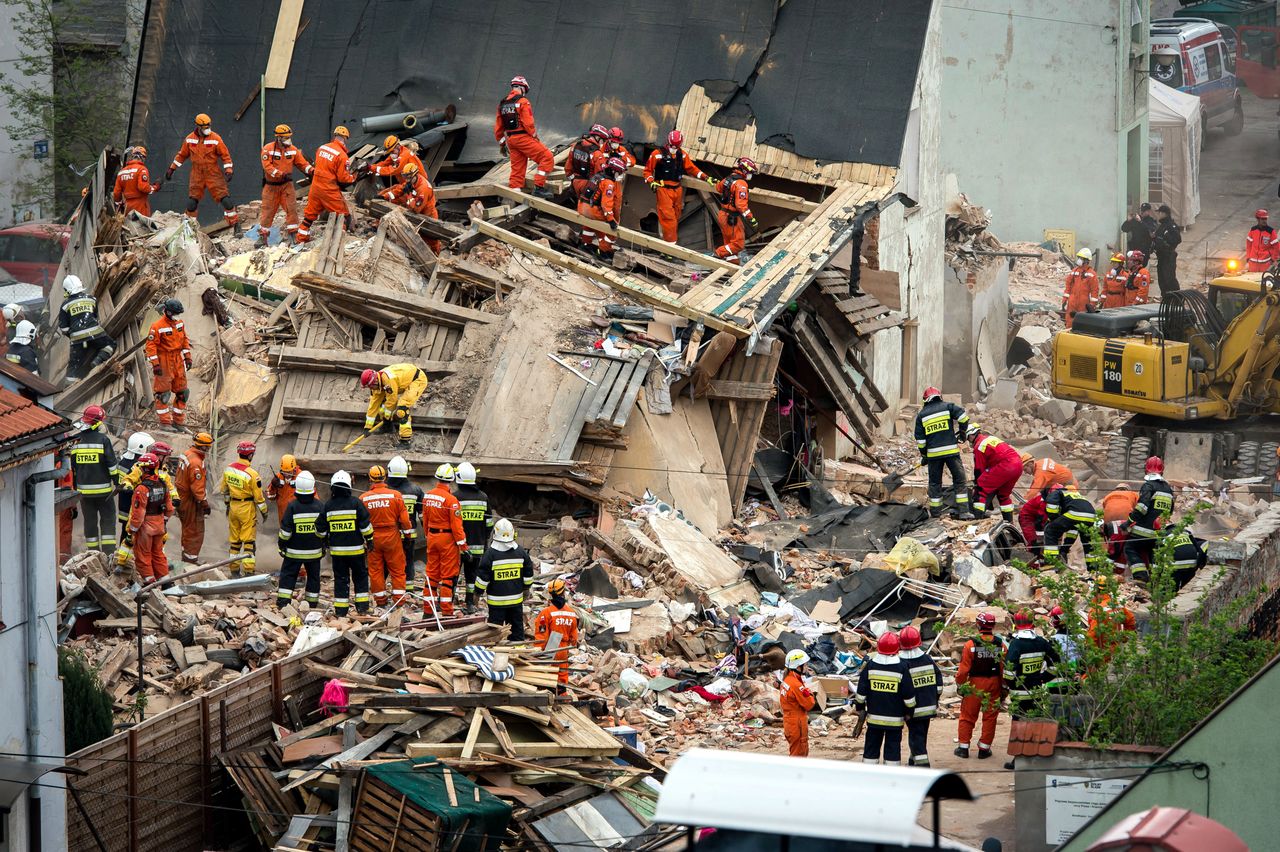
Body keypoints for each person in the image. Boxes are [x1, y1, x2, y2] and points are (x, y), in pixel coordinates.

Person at [167, 113, 238, 231]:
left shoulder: (215, 139)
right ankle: (190, 229)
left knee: (226, 200)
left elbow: (225, 155)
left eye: (208, 126)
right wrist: (172, 168)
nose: (207, 130)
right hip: (197, 174)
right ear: (198, 127)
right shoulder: (190, 139)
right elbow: (182, 155)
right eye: (205, 127)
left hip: (213, 172)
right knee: (192, 203)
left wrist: (228, 170)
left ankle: (235, 224)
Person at [115, 440, 179, 568]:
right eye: (165, 457)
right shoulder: (141, 467)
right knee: (131, 536)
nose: (167, 460)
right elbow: (128, 479)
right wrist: (127, 486)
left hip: (156, 509)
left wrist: (175, 497)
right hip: (141, 508)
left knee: (161, 537)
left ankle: (159, 562)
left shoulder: (163, 471)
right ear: (159, 456)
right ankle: (120, 563)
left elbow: (170, 487)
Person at [854, 632, 916, 765]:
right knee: (892, 750)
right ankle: (890, 779)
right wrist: (909, 712)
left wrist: (859, 708)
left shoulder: (870, 666)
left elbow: (860, 693)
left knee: (871, 749)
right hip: (895, 721)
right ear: (897, 649)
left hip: (874, 720)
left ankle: (870, 777)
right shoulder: (902, 668)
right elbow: (909, 696)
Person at [914, 386, 973, 518]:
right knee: (959, 480)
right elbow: (963, 417)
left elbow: (921, 441)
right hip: (951, 452)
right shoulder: (948, 407)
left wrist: (924, 455)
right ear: (939, 396)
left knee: (935, 483)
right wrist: (962, 432)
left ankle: (936, 514)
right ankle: (964, 512)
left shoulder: (921, 416)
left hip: (934, 455)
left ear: (925, 400)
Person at [643, 130, 711, 243]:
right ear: (668, 143)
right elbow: (647, 172)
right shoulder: (657, 154)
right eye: (672, 146)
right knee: (669, 219)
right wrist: (652, 182)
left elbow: (692, 169)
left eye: (676, 146)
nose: (674, 148)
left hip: (677, 190)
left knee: (676, 216)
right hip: (664, 189)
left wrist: (705, 177)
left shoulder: (682, 155)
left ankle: (666, 241)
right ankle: (670, 248)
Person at [322, 470, 374, 616]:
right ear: (349, 486)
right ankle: (362, 607)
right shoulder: (356, 503)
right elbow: (365, 526)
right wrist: (369, 539)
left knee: (340, 579)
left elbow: (320, 528)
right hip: (356, 551)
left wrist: (324, 540)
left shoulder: (328, 506)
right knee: (360, 577)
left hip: (338, 553)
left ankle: (341, 610)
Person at [360, 464, 412, 608]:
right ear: (385, 477)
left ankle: (380, 602)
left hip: (373, 537)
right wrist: (407, 536)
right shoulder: (396, 495)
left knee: (375, 570)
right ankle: (399, 601)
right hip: (392, 537)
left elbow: (361, 521)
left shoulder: (363, 498)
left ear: (370, 478)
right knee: (397, 569)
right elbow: (404, 520)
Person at [68, 405, 118, 555]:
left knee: (90, 521)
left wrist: (75, 488)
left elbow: (73, 468)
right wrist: (117, 481)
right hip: (104, 493)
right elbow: (112, 466)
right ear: (97, 423)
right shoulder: (103, 440)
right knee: (108, 520)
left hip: (84, 493)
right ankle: (109, 552)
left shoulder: (75, 441)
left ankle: (93, 552)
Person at [954, 612, 1003, 759]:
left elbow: (963, 671)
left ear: (978, 624)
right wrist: (1004, 687)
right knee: (990, 717)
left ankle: (963, 748)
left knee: (967, 716)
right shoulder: (1000, 644)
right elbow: (1004, 668)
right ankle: (984, 749)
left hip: (974, 685)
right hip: (994, 683)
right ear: (993, 625)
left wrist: (961, 684)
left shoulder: (971, 644)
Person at [494, 75, 553, 197]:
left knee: (517, 168)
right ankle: (539, 188)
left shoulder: (502, 104)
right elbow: (528, 123)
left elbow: (498, 127)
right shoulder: (523, 101)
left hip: (511, 140)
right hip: (523, 138)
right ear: (522, 88)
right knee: (547, 157)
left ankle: (514, 193)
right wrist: (534, 136)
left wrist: (502, 144)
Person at [476, 518, 535, 639]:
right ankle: (517, 649)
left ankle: (495, 651)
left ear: (495, 533)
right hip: (516, 601)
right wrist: (526, 588)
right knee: (517, 628)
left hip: (496, 603)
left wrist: (477, 593)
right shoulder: (521, 552)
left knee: (495, 630)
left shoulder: (490, 554)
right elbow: (528, 574)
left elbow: (482, 578)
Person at [297, 126, 357, 244]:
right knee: (342, 215)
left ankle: (301, 239)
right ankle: (340, 242)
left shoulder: (322, 148)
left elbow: (321, 165)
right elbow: (342, 177)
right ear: (345, 138)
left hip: (315, 187)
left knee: (309, 216)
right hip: (329, 189)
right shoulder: (342, 155)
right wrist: (353, 177)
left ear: (335, 136)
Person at [421, 463, 467, 616]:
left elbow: (425, 519)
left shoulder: (428, 496)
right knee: (448, 576)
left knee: (432, 574)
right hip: (447, 539)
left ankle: (428, 610)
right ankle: (447, 611)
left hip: (432, 537)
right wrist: (463, 546)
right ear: (451, 480)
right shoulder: (451, 500)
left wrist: (429, 536)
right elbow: (456, 526)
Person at [258, 123, 313, 246]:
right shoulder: (268, 149)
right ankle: (263, 238)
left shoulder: (292, 150)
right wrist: (281, 174)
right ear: (278, 138)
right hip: (271, 186)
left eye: (289, 137)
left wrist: (311, 170)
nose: (288, 140)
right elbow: (267, 167)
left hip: (286, 186)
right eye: (285, 138)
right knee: (267, 211)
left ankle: (293, 234)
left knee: (291, 209)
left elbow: (302, 164)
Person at [1123, 456, 1174, 583]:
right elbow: (1170, 511)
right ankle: (1156, 580)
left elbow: (1141, 508)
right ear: (1162, 471)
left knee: (1130, 548)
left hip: (1143, 531)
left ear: (1146, 470)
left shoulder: (1148, 486)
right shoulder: (1168, 489)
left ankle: (1141, 576)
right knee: (1154, 554)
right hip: (1159, 533)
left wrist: (1128, 522)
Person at [220, 440, 267, 575]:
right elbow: (259, 499)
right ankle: (248, 571)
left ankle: (234, 571)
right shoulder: (253, 474)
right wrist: (265, 513)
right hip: (246, 508)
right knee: (248, 542)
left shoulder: (228, 469)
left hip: (233, 507)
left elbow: (224, 490)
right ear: (251, 455)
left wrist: (228, 505)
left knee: (234, 541)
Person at [277, 470, 323, 609]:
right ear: (313, 487)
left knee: (288, 576)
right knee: (314, 577)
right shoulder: (320, 506)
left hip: (293, 552)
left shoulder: (292, 506)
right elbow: (323, 531)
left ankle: (284, 603)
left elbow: (285, 531)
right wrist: (323, 546)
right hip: (314, 552)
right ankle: (312, 602)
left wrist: (281, 545)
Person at [125, 452, 172, 582]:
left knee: (143, 555)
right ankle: (166, 582)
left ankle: (149, 584)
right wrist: (164, 521)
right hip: (159, 525)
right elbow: (170, 508)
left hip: (145, 527)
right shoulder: (163, 484)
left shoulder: (141, 488)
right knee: (158, 554)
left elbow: (138, 514)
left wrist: (132, 531)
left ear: (144, 468)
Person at [452, 460, 492, 611]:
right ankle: (470, 603)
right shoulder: (483, 497)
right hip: (477, 545)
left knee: (453, 575)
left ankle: (448, 601)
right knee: (472, 576)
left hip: (457, 546)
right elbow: (489, 523)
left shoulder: (454, 497)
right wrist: (485, 539)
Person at [145, 298, 192, 427]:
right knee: (163, 394)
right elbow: (150, 346)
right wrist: (156, 365)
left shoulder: (180, 323)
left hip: (178, 360)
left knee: (183, 392)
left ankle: (178, 422)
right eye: (175, 314)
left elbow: (185, 340)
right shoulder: (157, 327)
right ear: (168, 312)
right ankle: (165, 423)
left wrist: (188, 357)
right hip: (164, 361)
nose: (177, 317)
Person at [898, 625, 941, 767]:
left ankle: (923, 766)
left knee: (915, 736)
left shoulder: (902, 663)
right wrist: (935, 699)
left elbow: (902, 688)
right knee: (921, 736)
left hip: (913, 709)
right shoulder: (928, 660)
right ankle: (913, 760)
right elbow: (939, 684)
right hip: (929, 706)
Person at [58, 274, 115, 380]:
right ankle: (97, 360)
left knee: (74, 366)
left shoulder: (65, 305)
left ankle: (69, 388)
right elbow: (95, 318)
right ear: (80, 285)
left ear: (66, 290)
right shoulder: (91, 299)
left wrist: (73, 334)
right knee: (111, 344)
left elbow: (63, 328)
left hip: (78, 341)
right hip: (96, 335)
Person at [1003, 611, 1058, 719]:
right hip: (1037, 693)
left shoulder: (1016, 644)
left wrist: (1011, 685)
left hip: (1018, 694)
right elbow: (1055, 663)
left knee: (1019, 727)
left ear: (1016, 625)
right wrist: (1043, 678)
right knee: (1036, 724)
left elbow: (1009, 673)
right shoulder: (1041, 642)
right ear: (1033, 623)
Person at [378, 162, 441, 253]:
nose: (406, 180)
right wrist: (385, 196)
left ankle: (436, 254)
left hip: (428, 214)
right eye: (405, 177)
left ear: (414, 175)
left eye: (408, 178)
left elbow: (416, 209)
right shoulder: (411, 181)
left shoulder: (423, 188)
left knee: (431, 238)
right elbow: (399, 190)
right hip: (417, 209)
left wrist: (409, 195)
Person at [360, 363, 428, 445]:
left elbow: (392, 400)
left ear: (375, 382)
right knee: (382, 408)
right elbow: (373, 404)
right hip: (403, 379)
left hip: (417, 379)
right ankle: (387, 427)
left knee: (402, 410)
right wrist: (367, 427)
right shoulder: (377, 383)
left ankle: (405, 440)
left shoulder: (388, 380)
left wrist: (387, 417)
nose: (370, 389)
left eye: (370, 387)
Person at [533, 578, 580, 693]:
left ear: (550, 594)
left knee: (550, 674)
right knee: (562, 674)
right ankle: (562, 697)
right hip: (564, 648)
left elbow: (541, 634)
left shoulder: (546, 613)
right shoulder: (571, 612)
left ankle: (549, 696)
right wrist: (571, 644)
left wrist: (538, 652)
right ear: (563, 592)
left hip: (551, 648)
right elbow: (574, 636)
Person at [387, 455, 425, 596]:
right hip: (409, 535)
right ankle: (408, 590)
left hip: (390, 535)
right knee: (408, 561)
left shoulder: (385, 490)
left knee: (386, 562)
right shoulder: (416, 490)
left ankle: (383, 590)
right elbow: (422, 516)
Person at [967, 426, 1022, 522]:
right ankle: (1009, 523)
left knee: (980, 490)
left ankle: (977, 522)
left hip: (1005, 465)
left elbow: (979, 469)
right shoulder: (990, 438)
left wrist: (977, 484)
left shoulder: (979, 446)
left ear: (972, 435)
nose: (968, 441)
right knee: (1003, 496)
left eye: (968, 438)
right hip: (1018, 464)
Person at [712, 156, 760, 265]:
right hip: (732, 218)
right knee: (738, 244)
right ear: (744, 171)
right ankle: (718, 253)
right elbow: (740, 205)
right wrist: (751, 219)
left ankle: (731, 265)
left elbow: (718, 188)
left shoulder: (728, 178)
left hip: (722, 214)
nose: (750, 175)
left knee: (729, 242)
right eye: (750, 172)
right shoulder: (742, 184)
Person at [577, 156, 626, 259]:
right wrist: (611, 220)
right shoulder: (609, 184)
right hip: (592, 210)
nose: (620, 176)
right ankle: (604, 251)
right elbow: (606, 205)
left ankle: (586, 244)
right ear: (614, 172)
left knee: (589, 225)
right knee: (610, 230)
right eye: (619, 173)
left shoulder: (598, 176)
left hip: (582, 207)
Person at [175, 432, 213, 564]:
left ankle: (186, 556)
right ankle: (190, 559)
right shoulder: (196, 462)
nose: (209, 449)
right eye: (208, 447)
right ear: (204, 447)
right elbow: (197, 487)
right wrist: (204, 503)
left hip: (181, 496)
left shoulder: (186, 454)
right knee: (194, 529)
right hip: (190, 500)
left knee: (187, 528)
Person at [1043, 485, 1097, 562]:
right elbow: (1073, 531)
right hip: (1091, 517)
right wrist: (1064, 549)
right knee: (1087, 542)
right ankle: (1093, 568)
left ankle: (1051, 561)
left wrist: (1054, 520)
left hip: (1075, 513)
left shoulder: (1058, 492)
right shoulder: (1078, 497)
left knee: (1050, 530)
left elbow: (1051, 508)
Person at [780, 649, 817, 757]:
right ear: (797, 667)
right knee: (799, 753)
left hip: (790, 721)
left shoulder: (788, 679)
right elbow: (809, 704)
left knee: (795, 751)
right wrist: (810, 693)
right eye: (805, 665)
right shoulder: (796, 685)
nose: (807, 667)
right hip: (797, 723)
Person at [112, 146, 161, 216]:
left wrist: (119, 204)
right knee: (141, 226)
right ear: (142, 157)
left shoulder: (121, 172)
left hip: (127, 207)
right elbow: (143, 188)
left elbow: (116, 193)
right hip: (140, 207)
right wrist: (155, 187)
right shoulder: (142, 169)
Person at [568, 125, 610, 200]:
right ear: (597, 138)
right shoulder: (597, 154)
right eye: (603, 140)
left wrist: (573, 181)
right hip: (588, 186)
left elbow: (568, 168)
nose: (603, 143)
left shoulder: (575, 146)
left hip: (575, 183)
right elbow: (600, 175)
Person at [1046, 606, 1081, 693]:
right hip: (1077, 682)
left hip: (1056, 685)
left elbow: (1050, 664)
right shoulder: (1080, 637)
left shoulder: (1054, 640)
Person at [1061, 248, 1097, 329]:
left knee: (1082, 324)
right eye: (1079, 258)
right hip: (1072, 301)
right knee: (1069, 322)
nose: (1079, 260)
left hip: (1084, 303)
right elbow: (1068, 286)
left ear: (1086, 260)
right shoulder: (1074, 271)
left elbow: (1094, 292)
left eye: (1081, 258)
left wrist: (1092, 305)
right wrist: (1065, 299)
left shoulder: (1092, 274)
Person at [1152, 204, 1182, 297]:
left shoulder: (1171, 225)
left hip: (1168, 256)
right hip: (1161, 256)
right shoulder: (1161, 226)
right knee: (1162, 280)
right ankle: (1165, 299)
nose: (1158, 215)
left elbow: (1177, 239)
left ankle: (1176, 299)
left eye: (1160, 213)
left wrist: (1166, 238)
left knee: (1169, 279)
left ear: (1164, 213)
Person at [265, 454, 299, 522]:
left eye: (289, 472)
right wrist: (273, 487)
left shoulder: (302, 476)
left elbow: (313, 497)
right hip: (283, 518)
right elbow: (270, 496)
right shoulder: (278, 477)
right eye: (284, 472)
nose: (286, 474)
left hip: (298, 517)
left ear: (295, 468)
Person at [1018, 487, 1049, 560]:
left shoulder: (1052, 500)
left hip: (1037, 518)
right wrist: (1040, 540)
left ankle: (1040, 560)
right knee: (1033, 542)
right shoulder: (1043, 502)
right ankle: (1033, 564)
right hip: (1027, 518)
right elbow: (1040, 522)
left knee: (1043, 542)